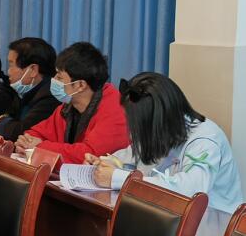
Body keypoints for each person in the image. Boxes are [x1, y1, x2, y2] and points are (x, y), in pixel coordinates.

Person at [86, 73, 243, 213]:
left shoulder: (206, 140)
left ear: (156, 120)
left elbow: (190, 192)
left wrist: (119, 178)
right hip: (164, 215)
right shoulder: (158, 129)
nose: (132, 130)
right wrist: (105, 163)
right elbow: (131, 156)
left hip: (212, 227)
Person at [16, 42, 129, 164]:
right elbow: (37, 133)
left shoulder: (115, 110)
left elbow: (89, 155)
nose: (53, 80)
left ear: (80, 85)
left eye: (60, 77)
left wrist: (39, 148)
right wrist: (26, 143)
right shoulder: (68, 107)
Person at [0, 37, 59, 141]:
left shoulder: (50, 96)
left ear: (33, 70)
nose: (8, 71)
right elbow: (10, 122)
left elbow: (23, 132)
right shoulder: (24, 92)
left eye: (11, 65)